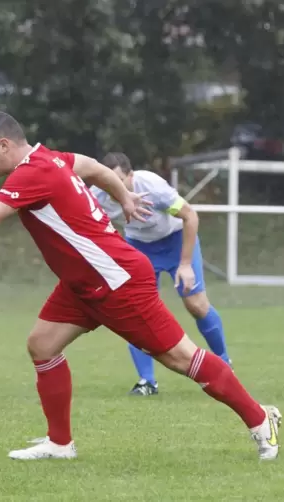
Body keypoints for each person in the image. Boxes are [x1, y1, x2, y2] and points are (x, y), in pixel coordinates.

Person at [0, 111, 281, 461]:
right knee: (42, 345)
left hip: (116, 281)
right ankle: (59, 443)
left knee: (180, 358)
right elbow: (96, 168)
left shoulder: (31, 172)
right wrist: (124, 197)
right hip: (83, 283)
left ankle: (261, 419)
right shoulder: (54, 159)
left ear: (4, 145)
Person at [91, 152, 231, 396]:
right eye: (106, 181)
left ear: (131, 176)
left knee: (196, 305)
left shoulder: (152, 186)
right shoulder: (97, 196)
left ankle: (224, 364)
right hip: (140, 247)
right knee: (134, 311)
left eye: (117, 180)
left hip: (176, 241)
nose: (112, 187)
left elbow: (189, 215)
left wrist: (185, 264)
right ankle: (147, 381)